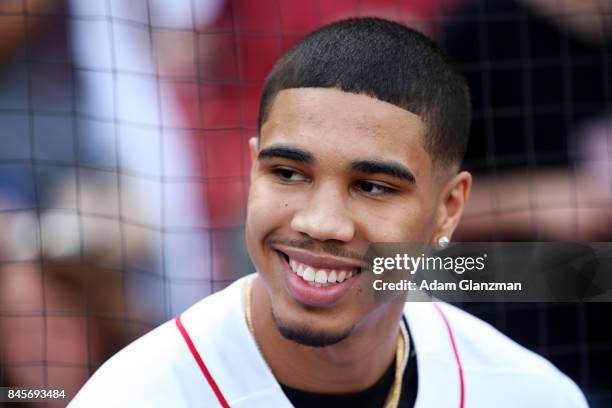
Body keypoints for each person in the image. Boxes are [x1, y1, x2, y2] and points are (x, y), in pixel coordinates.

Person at [70, 18, 587, 407]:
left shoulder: (529, 393)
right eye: (288, 174)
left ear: (447, 210)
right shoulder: (134, 395)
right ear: (253, 170)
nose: (321, 222)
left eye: (373, 186)